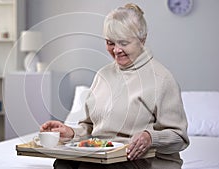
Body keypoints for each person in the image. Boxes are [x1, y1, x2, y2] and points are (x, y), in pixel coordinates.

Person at [40, 3, 189, 169]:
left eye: (124, 43)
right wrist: (71, 133)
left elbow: (179, 137)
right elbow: (90, 127)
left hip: (140, 160)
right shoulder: (103, 75)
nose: (116, 50)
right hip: (101, 156)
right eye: (110, 43)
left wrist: (150, 137)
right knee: (62, 164)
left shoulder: (161, 79)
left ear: (142, 39)